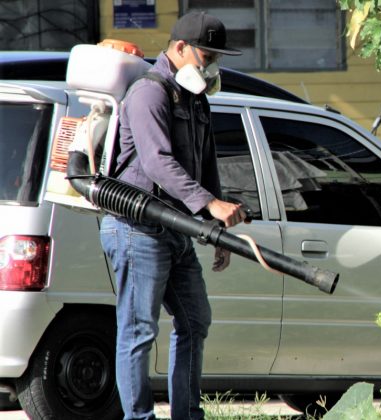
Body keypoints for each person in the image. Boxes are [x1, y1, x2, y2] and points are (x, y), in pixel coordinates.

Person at [99, 11, 246, 420]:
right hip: (138, 228)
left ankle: (187, 415)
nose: (212, 67)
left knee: (195, 320)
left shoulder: (196, 98)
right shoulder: (149, 93)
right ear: (180, 48)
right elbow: (157, 162)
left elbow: (206, 164)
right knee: (139, 330)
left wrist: (215, 227)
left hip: (177, 228)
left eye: (216, 59)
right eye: (208, 57)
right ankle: (139, 418)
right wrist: (211, 204)